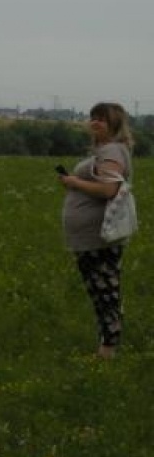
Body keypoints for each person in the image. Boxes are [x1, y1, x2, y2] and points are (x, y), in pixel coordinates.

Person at [58, 102, 134, 359]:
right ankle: (108, 343)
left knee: (104, 290)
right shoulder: (106, 150)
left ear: (114, 124)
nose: (95, 122)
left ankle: (107, 350)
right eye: (93, 117)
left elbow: (108, 190)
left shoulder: (112, 149)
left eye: (102, 118)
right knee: (104, 288)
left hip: (97, 237)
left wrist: (74, 181)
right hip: (92, 236)